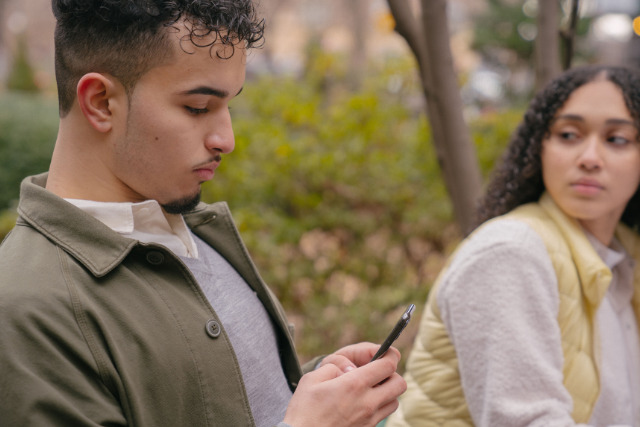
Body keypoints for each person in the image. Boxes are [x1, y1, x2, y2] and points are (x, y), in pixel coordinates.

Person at [0, 1, 407, 426]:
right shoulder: (26, 309)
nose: (226, 139)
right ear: (101, 102)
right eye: (198, 107)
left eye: (229, 105)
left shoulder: (196, 229)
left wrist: (319, 390)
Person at [386, 64, 640, 427]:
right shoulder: (512, 253)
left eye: (616, 139)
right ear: (540, 146)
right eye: (569, 135)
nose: (589, 158)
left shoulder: (626, 261)